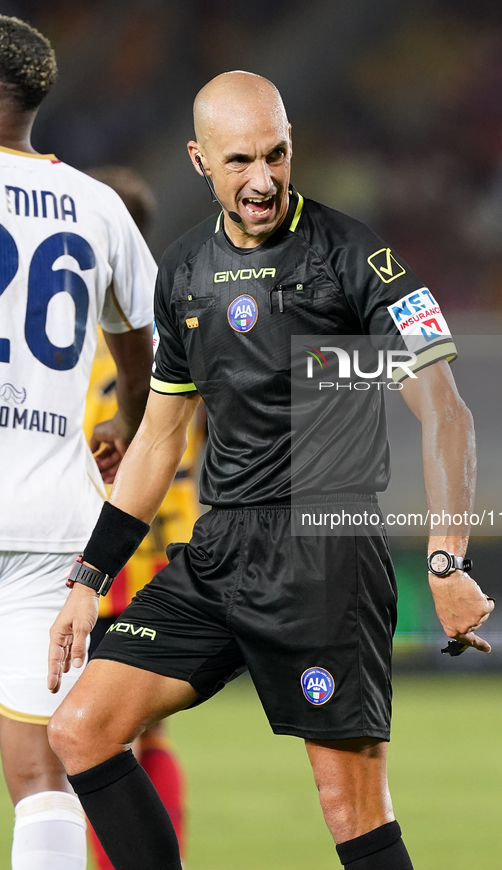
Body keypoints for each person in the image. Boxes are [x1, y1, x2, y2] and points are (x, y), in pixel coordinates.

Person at [47, 71, 495, 870]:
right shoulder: (183, 271)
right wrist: (90, 577)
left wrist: (446, 559)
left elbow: (446, 411)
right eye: (241, 161)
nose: (263, 179)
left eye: (277, 156)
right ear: (199, 160)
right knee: (81, 730)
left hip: (326, 547)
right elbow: (156, 441)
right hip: (221, 548)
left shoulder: (358, 258)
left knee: (347, 807)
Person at [0, 16, 155, 870]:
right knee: (41, 777)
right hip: (55, 524)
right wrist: (122, 430)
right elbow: (148, 368)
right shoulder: (97, 206)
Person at [83, 164, 206, 867]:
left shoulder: (95, 337)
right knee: (139, 740)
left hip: (112, 563)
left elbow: (106, 456)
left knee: (93, 740)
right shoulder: (181, 320)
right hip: (174, 557)